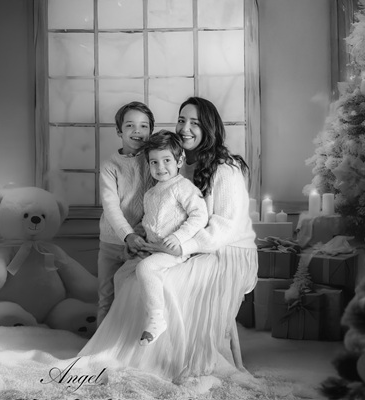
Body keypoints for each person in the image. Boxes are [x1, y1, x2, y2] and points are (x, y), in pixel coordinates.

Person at [78, 97, 258, 384]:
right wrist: (149, 242)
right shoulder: (177, 164)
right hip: (191, 246)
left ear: (209, 127)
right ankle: (132, 351)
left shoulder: (226, 168)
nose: (185, 128)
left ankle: (171, 358)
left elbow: (223, 227)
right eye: (181, 120)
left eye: (195, 123)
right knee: (131, 276)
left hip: (226, 251)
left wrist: (179, 246)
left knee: (167, 281)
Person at [133, 130, 208, 346]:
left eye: (166, 160)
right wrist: (140, 236)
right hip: (154, 248)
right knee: (123, 273)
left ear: (179, 161)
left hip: (175, 251)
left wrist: (178, 236)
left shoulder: (182, 187)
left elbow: (199, 215)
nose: (160, 167)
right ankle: (124, 324)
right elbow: (150, 220)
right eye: (154, 162)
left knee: (145, 268)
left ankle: (157, 318)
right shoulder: (150, 193)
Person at [96, 101, 155, 327]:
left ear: (151, 131)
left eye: (144, 126)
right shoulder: (110, 165)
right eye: (130, 125)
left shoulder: (155, 161)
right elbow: (110, 206)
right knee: (106, 297)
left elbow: (158, 201)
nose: (137, 131)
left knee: (137, 297)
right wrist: (127, 235)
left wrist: (138, 234)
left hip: (142, 242)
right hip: (112, 241)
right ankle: (98, 344)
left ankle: (129, 341)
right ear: (119, 131)